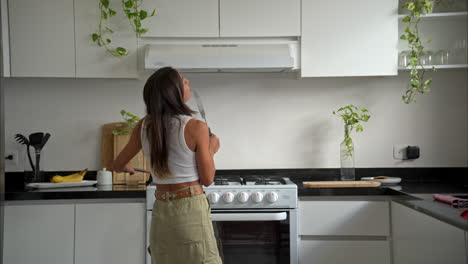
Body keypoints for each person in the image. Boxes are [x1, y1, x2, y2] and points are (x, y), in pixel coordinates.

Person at [112, 67, 222, 264]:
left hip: (161, 209)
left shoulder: (144, 126)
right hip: (191, 207)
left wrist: (127, 165)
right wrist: (212, 148)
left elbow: (118, 164)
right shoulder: (196, 127)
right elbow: (208, 179)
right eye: (183, 81)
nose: (188, 81)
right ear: (175, 93)